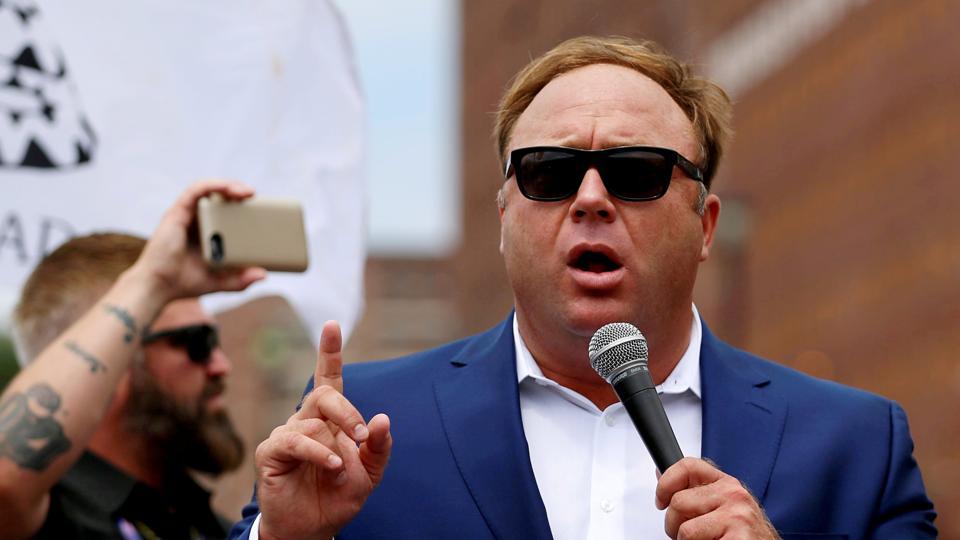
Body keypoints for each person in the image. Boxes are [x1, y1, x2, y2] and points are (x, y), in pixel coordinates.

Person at [232, 36, 937, 540]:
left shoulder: (856, 445)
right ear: (506, 216)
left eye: (635, 172)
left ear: (704, 225)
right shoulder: (360, 424)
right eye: (548, 172)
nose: (591, 199)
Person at [0, 181, 266, 539]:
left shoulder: (213, 527)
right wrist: (152, 281)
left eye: (214, 339)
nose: (221, 365)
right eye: (197, 343)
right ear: (111, 365)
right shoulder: (51, 516)